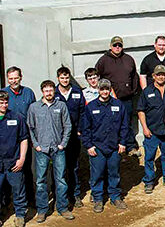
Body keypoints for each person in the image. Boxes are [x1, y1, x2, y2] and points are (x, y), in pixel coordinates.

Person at [27, 80, 74, 222]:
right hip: (42, 150)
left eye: (51, 90)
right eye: (46, 90)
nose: (49, 93)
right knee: (41, 181)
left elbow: (68, 126)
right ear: (42, 91)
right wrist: (36, 145)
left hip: (57, 149)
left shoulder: (61, 106)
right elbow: (30, 128)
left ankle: (63, 208)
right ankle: (42, 210)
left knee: (61, 180)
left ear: (54, 91)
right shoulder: (34, 107)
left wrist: (63, 144)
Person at [81, 78, 129, 213]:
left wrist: (123, 142)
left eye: (107, 89)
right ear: (98, 90)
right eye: (102, 89)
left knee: (114, 173)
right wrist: (89, 146)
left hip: (114, 147)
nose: (104, 91)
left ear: (110, 90)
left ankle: (115, 197)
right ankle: (97, 199)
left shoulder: (118, 105)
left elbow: (125, 126)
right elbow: (86, 129)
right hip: (98, 148)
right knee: (97, 175)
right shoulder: (91, 107)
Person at [95, 36, 139, 154]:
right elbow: (97, 77)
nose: (117, 47)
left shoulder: (128, 59)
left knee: (127, 123)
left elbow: (135, 76)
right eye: (115, 45)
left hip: (126, 98)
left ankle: (130, 146)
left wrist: (132, 91)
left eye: (119, 45)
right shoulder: (103, 60)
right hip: (110, 99)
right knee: (111, 123)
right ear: (110, 46)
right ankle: (113, 147)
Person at [137, 65, 165, 194]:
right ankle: (149, 181)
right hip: (152, 131)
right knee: (149, 157)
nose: (161, 77)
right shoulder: (146, 91)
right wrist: (144, 128)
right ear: (153, 76)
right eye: (158, 74)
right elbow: (141, 111)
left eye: (163, 74)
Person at [54, 66, 86, 208]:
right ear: (58, 78)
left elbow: (83, 113)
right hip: (57, 138)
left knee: (73, 167)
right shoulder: (52, 93)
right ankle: (59, 197)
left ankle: (75, 195)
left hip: (73, 136)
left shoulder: (77, 92)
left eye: (67, 77)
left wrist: (80, 130)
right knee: (59, 168)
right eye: (62, 78)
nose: (65, 80)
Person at [3, 66, 36, 201]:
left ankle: (29, 199)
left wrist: (34, 136)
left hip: (25, 137)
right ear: (7, 79)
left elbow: (34, 114)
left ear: (21, 77)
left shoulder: (28, 93)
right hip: (8, 138)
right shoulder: (3, 93)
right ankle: (6, 201)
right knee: (5, 171)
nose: (13, 81)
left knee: (26, 168)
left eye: (16, 78)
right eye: (10, 79)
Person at [0, 90, 29, 227]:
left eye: (6, 102)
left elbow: (24, 139)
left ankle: (20, 215)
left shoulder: (17, 117)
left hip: (14, 161)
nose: (4, 105)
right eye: (1, 103)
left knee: (18, 190)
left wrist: (22, 158)